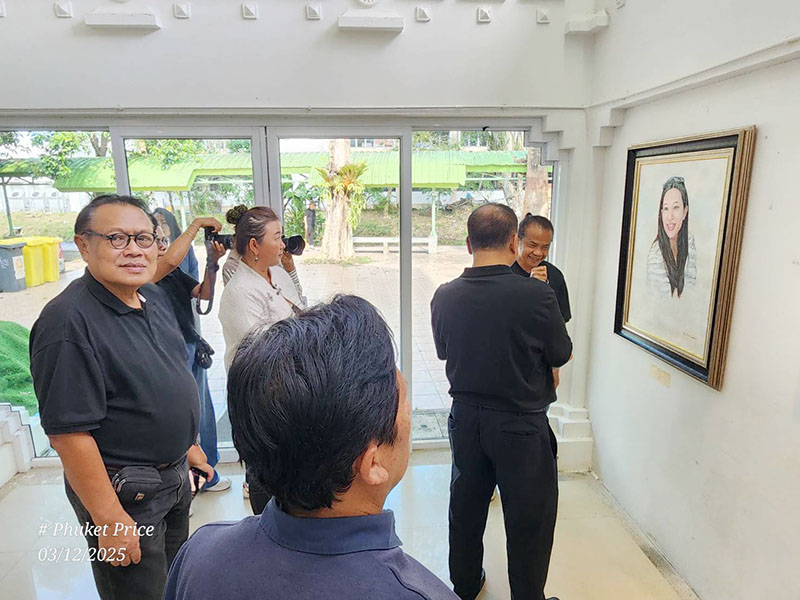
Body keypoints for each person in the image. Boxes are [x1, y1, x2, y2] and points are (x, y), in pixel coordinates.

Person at [164, 295, 458, 600]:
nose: (409, 413)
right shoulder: (419, 593)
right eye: (405, 404)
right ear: (372, 463)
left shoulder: (199, 556)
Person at [29, 194, 214, 600]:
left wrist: (188, 445)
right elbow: (68, 434)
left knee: (174, 583)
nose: (134, 249)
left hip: (173, 477)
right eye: (117, 238)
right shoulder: (67, 322)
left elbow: (163, 374)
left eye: (144, 238)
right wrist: (110, 518)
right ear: (83, 245)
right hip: (125, 492)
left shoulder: (151, 296)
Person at [430, 204, 572, 600]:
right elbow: (561, 353)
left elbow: (443, 351)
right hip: (521, 425)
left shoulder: (444, 296)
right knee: (529, 519)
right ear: (513, 241)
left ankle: (465, 585)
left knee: (466, 508)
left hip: (466, 421)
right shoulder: (538, 295)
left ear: (468, 243)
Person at [218, 205, 306, 511]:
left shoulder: (277, 272)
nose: (283, 244)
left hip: (289, 393)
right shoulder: (239, 292)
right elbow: (263, 353)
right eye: (277, 237)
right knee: (266, 476)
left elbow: (300, 307)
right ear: (254, 245)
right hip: (262, 399)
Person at [151, 210, 232, 494]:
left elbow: (204, 294)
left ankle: (206, 475)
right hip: (166, 356)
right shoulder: (148, 275)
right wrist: (196, 225)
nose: (162, 244)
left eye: (163, 239)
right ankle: (186, 485)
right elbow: (171, 260)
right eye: (155, 239)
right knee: (182, 418)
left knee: (201, 412)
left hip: (189, 346)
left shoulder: (172, 273)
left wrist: (213, 263)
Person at [511, 213, 572, 390]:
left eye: (545, 247)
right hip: (510, 363)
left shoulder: (555, 276)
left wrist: (555, 369)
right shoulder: (505, 273)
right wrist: (532, 290)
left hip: (540, 369)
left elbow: (559, 327)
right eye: (532, 245)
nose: (538, 253)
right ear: (518, 240)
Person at [647, 176, 697, 298]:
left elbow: (691, 290)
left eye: (676, 208)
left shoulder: (689, 241)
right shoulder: (655, 255)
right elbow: (660, 302)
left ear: (685, 212)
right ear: (661, 213)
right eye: (666, 208)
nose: (670, 216)